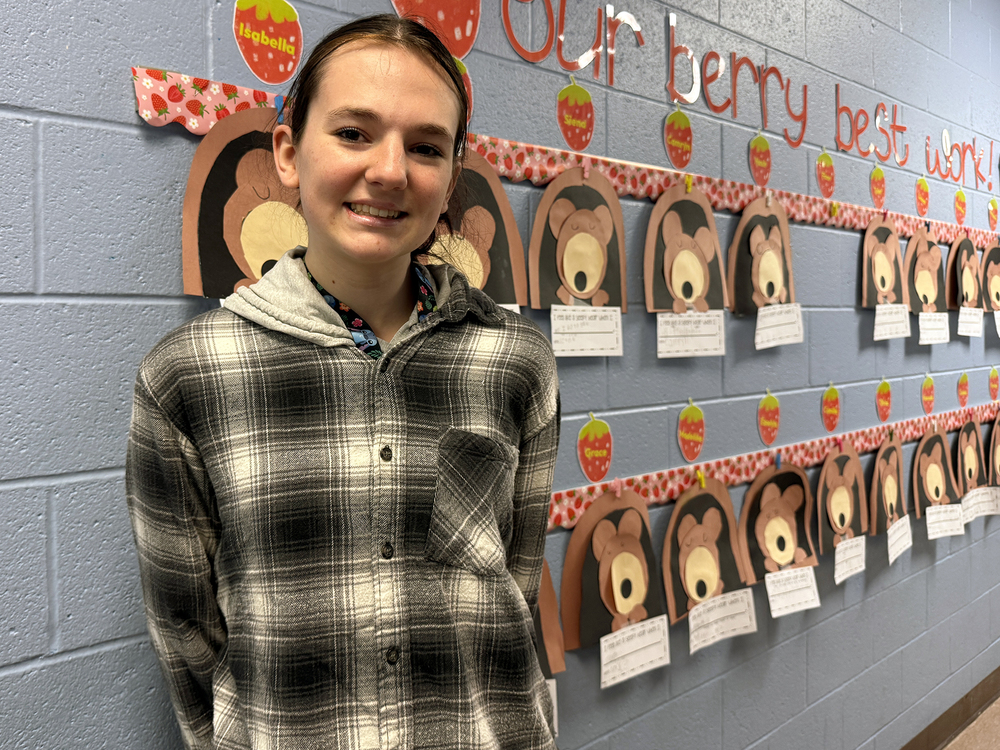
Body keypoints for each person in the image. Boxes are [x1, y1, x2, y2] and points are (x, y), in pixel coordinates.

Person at [126, 14, 560, 750]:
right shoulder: (187, 378)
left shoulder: (513, 359)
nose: (390, 170)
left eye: (426, 147)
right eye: (354, 134)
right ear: (289, 154)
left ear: (454, 174)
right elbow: (185, 632)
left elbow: (515, 586)